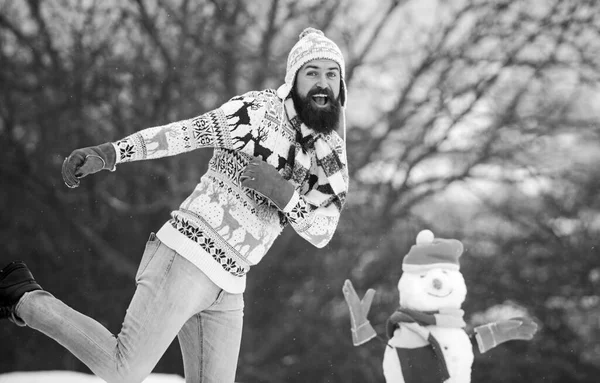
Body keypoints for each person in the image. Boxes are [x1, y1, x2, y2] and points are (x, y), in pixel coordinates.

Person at [0, 27, 348, 383]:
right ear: (294, 79)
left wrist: (283, 193)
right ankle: (23, 297)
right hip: (188, 256)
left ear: (340, 85)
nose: (323, 83)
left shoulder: (328, 154)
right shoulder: (257, 112)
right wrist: (111, 153)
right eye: (313, 72)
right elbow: (183, 134)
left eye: (331, 74)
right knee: (124, 369)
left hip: (230, 284)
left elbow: (323, 230)